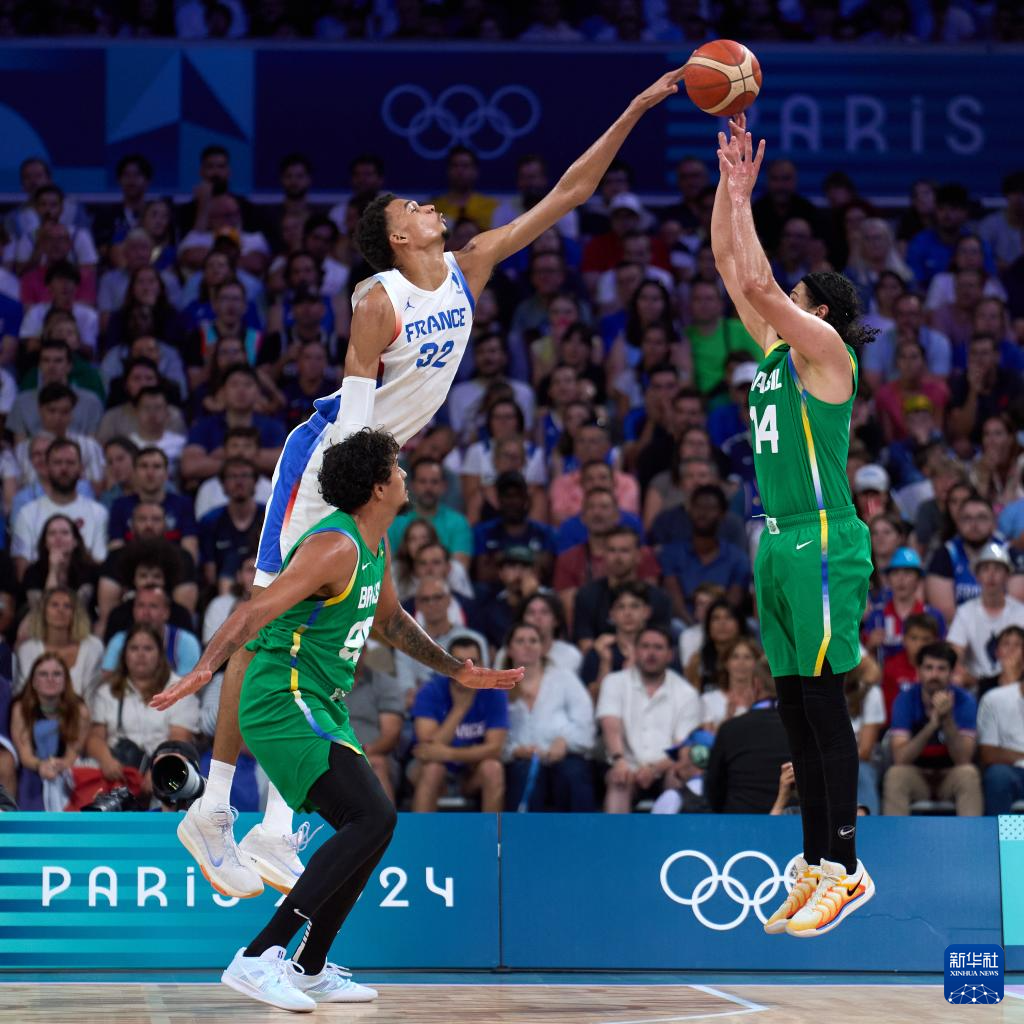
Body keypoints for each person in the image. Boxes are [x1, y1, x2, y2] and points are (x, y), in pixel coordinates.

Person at [175, 66, 686, 903]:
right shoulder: (377, 301)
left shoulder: (468, 265)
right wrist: (362, 506)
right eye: (412, 207)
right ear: (396, 238)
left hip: (373, 462)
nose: (428, 207)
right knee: (273, 616)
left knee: (331, 629)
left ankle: (273, 825)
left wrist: (633, 107)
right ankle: (215, 808)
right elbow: (354, 422)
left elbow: (569, 192)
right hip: (330, 461)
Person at [155, 431, 520, 1010]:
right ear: (377, 487)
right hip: (282, 697)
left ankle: (309, 966)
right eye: (396, 467)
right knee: (373, 816)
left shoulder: (377, 544)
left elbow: (390, 621)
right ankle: (258, 957)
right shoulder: (334, 547)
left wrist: (457, 670)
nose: (404, 473)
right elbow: (255, 610)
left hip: (321, 701)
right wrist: (204, 669)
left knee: (373, 825)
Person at [713, 114, 875, 937]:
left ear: (822, 313)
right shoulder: (780, 354)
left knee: (823, 701)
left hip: (822, 536)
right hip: (776, 537)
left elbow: (758, 286)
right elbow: (731, 267)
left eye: (799, 299)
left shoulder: (830, 359)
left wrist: (746, 200)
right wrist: (727, 190)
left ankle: (847, 866)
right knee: (795, 706)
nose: (786, 302)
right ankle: (814, 861)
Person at [597, 625, 702, 813]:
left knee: (678, 777)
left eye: (658, 647)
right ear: (635, 651)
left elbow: (682, 745)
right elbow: (610, 725)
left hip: (666, 766)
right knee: (619, 779)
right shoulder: (614, 682)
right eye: (645, 646)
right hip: (625, 764)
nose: (651, 653)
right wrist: (619, 760)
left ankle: (672, 833)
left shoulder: (687, 693)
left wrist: (654, 769)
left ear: (670, 655)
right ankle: (615, 833)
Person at [501, 622, 595, 811]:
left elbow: (586, 722)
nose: (527, 645)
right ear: (509, 650)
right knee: (523, 774)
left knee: (574, 774)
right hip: (519, 760)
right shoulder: (499, 686)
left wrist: (565, 742)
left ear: (542, 648)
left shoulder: (564, 678)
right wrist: (515, 751)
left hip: (564, 754)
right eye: (520, 641)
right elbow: (494, 733)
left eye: (533, 641)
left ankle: (582, 830)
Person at [883, 641, 982, 816]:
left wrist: (948, 719)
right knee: (895, 774)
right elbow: (900, 758)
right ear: (918, 671)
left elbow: (963, 758)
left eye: (941, 669)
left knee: (969, 773)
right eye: (928, 668)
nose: (934, 675)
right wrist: (932, 725)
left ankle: (971, 834)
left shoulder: (965, 701)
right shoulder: (905, 699)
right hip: (916, 774)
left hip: (951, 774)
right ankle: (895, 833)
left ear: (951, 672)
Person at [703, 659, 790, 815]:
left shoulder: (730, 729)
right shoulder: (805, 728)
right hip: (793, 822)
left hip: (739, 822)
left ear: (756, 685)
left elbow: (713, 788)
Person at [10, 653, 89, 811]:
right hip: (32, 770)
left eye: (57, 674)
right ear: (34, 682)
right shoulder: (20, 709)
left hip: (66, 770)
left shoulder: (80, 710)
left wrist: (60, 765)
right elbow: (25, 755)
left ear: (65, 680)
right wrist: (41, 766)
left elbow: (72, 755)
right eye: (43, 674)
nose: (50, 679)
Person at [947, 542, 1024, 683]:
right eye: (985, 569)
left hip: (1016, 683)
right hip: (976, 684)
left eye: (998, 569)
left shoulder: (1021, 612)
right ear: (977, 576)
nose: (991, 575)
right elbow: (953, 654)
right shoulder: (965, 612)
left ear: (1007, 575)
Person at [14, 586, 103, 700]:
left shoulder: (93, 646)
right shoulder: (27, 650)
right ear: (43, 612)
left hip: (84, 710)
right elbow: (23, 695)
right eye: (54, 605)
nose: (60, 610)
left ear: (75, 614)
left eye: (67, 606)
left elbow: (94, 695)